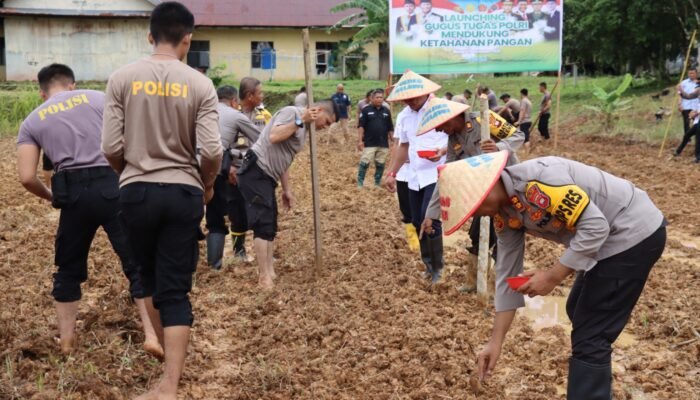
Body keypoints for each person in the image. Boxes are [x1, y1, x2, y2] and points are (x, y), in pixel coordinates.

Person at [431, 151, 666, 400]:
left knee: (591, 333)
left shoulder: (542, 181)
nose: (477, 215)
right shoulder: (504, 213)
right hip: (607, 242)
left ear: (487, 185)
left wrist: (552, 276)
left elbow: (596, 226)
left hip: (632, 233)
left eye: (475, 207)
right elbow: (507, 273)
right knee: (577, 310)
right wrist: (495, 342)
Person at [101, 3, 223, 398]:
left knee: (148, 279)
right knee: (175, 288)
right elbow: (212, 151)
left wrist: (130, 173)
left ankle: (162, 365)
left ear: (150, 35)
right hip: (183, 191)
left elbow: (110, 146)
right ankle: (170, 384)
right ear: (187, 39)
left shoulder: (121, 79)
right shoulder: (200, 84)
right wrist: (206, 184)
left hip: (136, 189)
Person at [16, 63, 162, 359]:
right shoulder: (98, 98)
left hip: (72, 194)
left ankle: (67, 342)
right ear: (72, 84)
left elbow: (27, 177)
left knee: (68, 271)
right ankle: (151, 335)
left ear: (43, 92)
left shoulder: (32, 121)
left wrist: (52, 197)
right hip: (113, 183)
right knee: (136, 264)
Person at [418, 98, 524, 282]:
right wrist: (431, 214)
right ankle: (473, 281)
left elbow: (518, 136)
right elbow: (447, 176)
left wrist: (499, 147)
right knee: (477, 235)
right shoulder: (453, 140)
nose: (438, 130)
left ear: (455, 117)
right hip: (482, 193)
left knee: (505, 235)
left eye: (440, 125)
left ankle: (497, 286)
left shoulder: (485, 119)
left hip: (506, 188)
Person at [237, 101, 337, 289]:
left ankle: (270, 271)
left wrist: (286, 189)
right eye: (327, 122)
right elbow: (274, 136)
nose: (326, 127)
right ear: (319, 111)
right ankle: (264, 277)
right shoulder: (292, 113)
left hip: (268, 176)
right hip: (255, 170)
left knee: (271, 224)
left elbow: (285, 158)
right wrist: (300, 121)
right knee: (262, 223)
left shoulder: (305, 129)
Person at [383, 71, 447, 283]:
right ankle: (428, 265)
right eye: (406, 99)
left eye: (414, 98)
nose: (410, 102)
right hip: (414, 175)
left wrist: (443, 150)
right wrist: (392, 172)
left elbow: (456, 137)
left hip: (436, 173)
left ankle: (438, 270)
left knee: (430, 219)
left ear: (425, 93)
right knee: (417, 219)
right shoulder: (404, 116)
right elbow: (403, 147)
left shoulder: (441, 109)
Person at [205, 86, 261, 269]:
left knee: (189, 213)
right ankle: (215, 265)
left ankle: (188, 264)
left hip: (187, 165)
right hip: (215, 166)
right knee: (215, 216)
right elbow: (261, 139)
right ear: (233, 101)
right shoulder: (236, 115)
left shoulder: (203, 110)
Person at [357, 89, 394, 187]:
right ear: (372, 98)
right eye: (377, 97)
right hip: (369, 142)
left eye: (381, 97)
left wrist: (393, 140)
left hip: (383, 143)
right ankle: (360, 183)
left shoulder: (386, 111)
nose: (379, 99)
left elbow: (390, 127)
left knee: (380, 164)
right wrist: (360, 141)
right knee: (365, 162)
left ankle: (377, 183)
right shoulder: (366, 110)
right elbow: (361, 126)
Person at [677, 68, 699, 146]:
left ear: (696, 74)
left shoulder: (698, 83)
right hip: (686, 105)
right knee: (686, 123)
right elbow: (681, 94)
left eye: (692, 73)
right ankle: (687, 139)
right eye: (689, 73)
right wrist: (679, 104)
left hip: (696, 107)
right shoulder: (683, 83)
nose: (691, 75)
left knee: (697, 122)